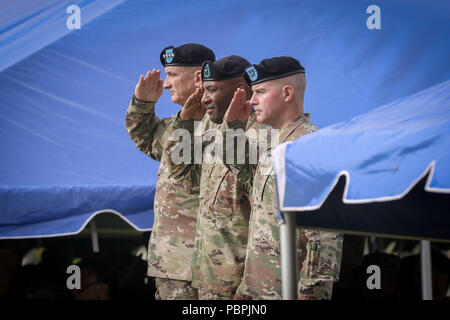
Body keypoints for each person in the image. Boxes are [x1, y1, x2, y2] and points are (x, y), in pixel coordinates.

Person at [224, 57, 343, 299]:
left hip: (285, 292)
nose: (252, 100)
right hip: (256, 290)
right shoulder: (275, 144)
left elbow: (325, 236)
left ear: (287, 93)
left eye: (259, 92)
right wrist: (232, 128)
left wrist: (310, 294)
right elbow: (241, 170)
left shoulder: (311, 147)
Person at [125, 43, 215, 300]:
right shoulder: (177, 125)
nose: (165, 84)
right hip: (172, 263)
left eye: (173, 75)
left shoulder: (219, 127)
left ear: (198, 78)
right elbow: (146, 138)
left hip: (199, 265)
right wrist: (142, 103)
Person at [165, 55, 254, 299]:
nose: (204, 98)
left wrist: (249, 288)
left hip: (241, 285)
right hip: (208, 280)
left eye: (212, 90)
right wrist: (185, 124)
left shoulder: (260, 137)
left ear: (239, 90)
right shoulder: (214, 137)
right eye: (203, 90)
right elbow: (183, 173)